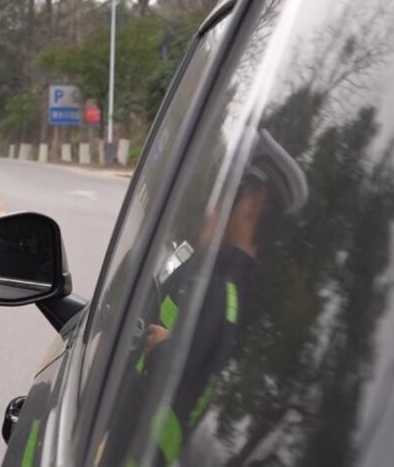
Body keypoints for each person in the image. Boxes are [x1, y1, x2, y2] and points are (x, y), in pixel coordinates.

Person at [126, 129, 308, 465]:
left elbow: (195, 381)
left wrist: (162, 349)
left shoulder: (221, 291)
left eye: (226, 195)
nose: (212, 208)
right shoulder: (214, 275)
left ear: (252, 203)